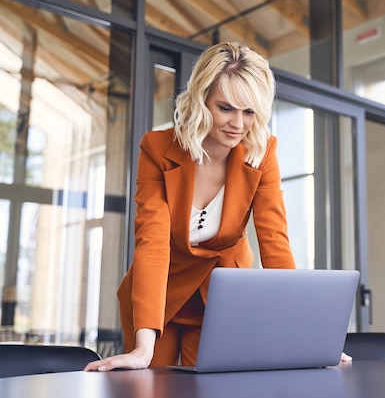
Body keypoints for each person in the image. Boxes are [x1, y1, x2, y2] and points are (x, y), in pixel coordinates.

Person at [85, 42, 303, 371]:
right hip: (159, 294)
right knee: (149, 385)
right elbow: (153, 242)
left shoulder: (262, 152)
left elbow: (274, 242)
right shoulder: (158, 149)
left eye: (249, 112)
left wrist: (305, 334)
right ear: (201, 100)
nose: (239, 124)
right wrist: (143, 349)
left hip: (223, 295)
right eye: (226, 108)